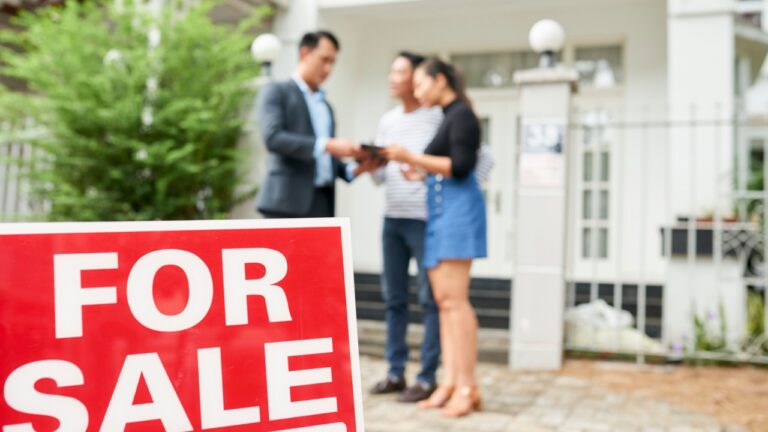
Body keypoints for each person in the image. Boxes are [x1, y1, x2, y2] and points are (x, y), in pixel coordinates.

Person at [382, 58, 486, 418]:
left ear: (440, 81)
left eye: (422, 84)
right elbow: (444, 168)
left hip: (457, 215)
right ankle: (450, 382)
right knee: (444, 301)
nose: (417, 90)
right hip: (440, 214)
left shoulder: (462, 116)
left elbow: (461, 166)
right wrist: (420, 173)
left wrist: (412, 157)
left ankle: (468, 386)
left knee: (456, 302)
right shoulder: (449, 116)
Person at [368, 52, 443, 403]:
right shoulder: (387, 120)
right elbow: (383, 176)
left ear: (417, 77)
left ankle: (427, 376)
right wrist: (370, 165)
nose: (392, 77)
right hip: (392, 219)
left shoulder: (437, 117)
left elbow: (455, 163)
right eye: (391, 70)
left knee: (430, 300)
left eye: (400, 71)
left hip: (425, 220)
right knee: (394, 299)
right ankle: (395, 372)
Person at [255, 30, 378, 218]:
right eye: (324, 60)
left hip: (322, 205)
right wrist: (328, 145)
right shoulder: (276, 91)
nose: (328, 69)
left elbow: (329, 164)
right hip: (285, 203)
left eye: (333, 63)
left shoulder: (326, 107)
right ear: (305, 53)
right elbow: (273, 138)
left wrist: (360, 166)